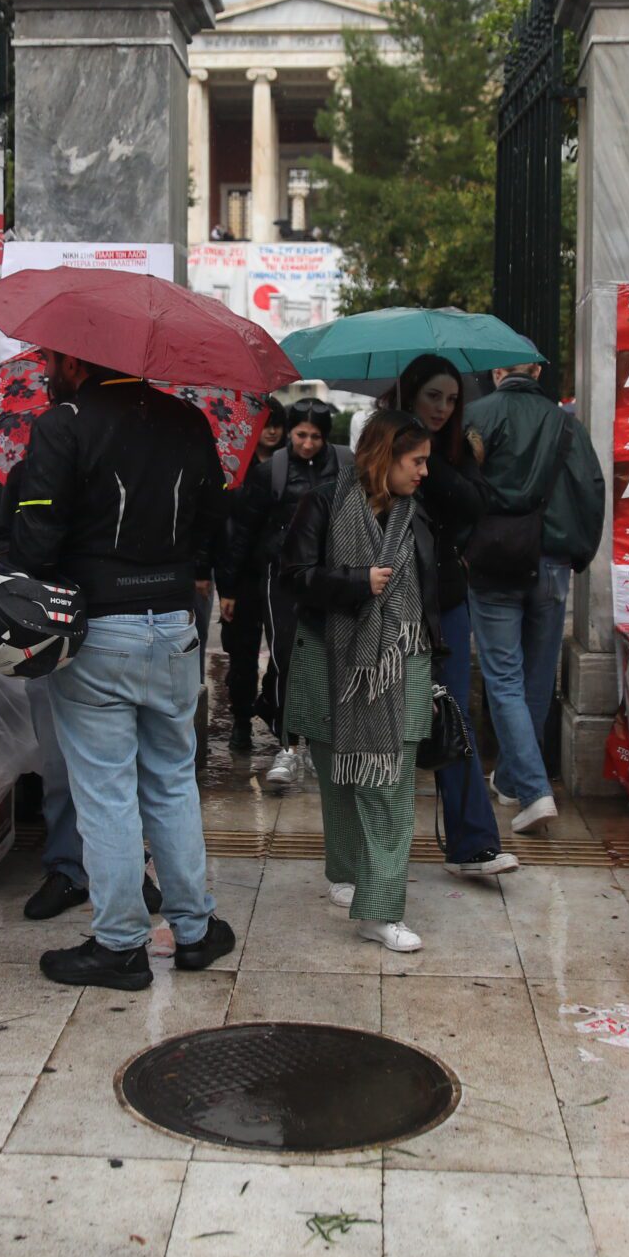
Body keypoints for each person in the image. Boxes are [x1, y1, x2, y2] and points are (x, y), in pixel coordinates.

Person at [9, 350, 231, 989]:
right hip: (175, 623)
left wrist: (18, 525)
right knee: (171, 781)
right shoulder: (187, 421)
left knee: (105, 791)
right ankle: (194, 930)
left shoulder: (63, 425)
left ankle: (119, 945)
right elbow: (216, 521)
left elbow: (36, 545)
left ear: (77, 363)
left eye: (53, 360)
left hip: (100, 631)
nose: (49, 369)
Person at [277, 411, 439, 952]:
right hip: (328, 659)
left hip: (398, 664)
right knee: (338, 775)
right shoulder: (323, 501)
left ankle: (381, 908)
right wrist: (355, 582)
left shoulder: (418, 512)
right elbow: (293, 576)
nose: (423, 472)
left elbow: (438, 588)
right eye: (416, 461)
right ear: (383, 457)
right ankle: (346, 873)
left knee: (389, 786)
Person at [0, 475, 164, 925]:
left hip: (121, 627)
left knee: (131, 761)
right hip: (52, 635)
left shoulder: (130, 464)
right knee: (60, 762)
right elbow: (3, 545)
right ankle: (68, 867)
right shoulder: (30, 473)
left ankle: (128, 867)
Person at [383, 356, 515, 877]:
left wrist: (426, 456)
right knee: (385, 723)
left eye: (451, 399)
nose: (442, 408)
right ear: (411, 392)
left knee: (452, 715)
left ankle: (473, 845)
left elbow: (472, 504)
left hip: (445, 602)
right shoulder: (380, 443)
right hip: (388, 600)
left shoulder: (453, 452)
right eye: (432, 396)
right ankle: (373, 856)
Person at [466, 361, 605, 835]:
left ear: (497, 369)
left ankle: (533, 789)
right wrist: (580, 551)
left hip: (496, 560)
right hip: (553, 562)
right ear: (541, 370)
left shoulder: (479, 415)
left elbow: (462, 488)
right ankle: (511, 779)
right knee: (537, 677)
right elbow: (590, 487)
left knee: (503, 677)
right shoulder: (568, 423)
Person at [217, 399, 345, 784]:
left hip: (326, 577)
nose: (307, 443)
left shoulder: (343, 468)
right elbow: (243, 532)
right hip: (280, 577)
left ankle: (319, 741)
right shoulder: (270, 472)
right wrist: (231, 586)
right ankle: (288, 743)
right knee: (286, 657)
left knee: (329, 657)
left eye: (315, 437)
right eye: (301, 435)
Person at [210, 397, 290, 753]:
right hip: (241, 576)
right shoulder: (231, 467)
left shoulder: (292, 467)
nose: (271, 429)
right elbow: (223, 528)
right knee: (241, 657)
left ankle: (274, 715)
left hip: (280, 576)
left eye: (277, 423)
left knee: (282, 654)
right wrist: (224, 583)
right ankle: (241, 721)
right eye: (265, 422)